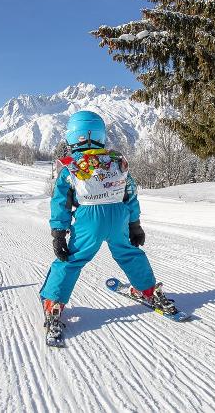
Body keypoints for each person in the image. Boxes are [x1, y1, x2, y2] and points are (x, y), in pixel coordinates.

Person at [40, 110, 176, 341]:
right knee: (129, 253)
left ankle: (54, 303)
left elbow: (61, 202)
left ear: (72, 136)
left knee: (72, 260)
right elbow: (130, 193)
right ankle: (149, 290)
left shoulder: (71, 167)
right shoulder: (116, 162)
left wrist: (59, 232)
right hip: (119, 217)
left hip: (89, 220)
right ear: (100, 135)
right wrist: (135, 224)